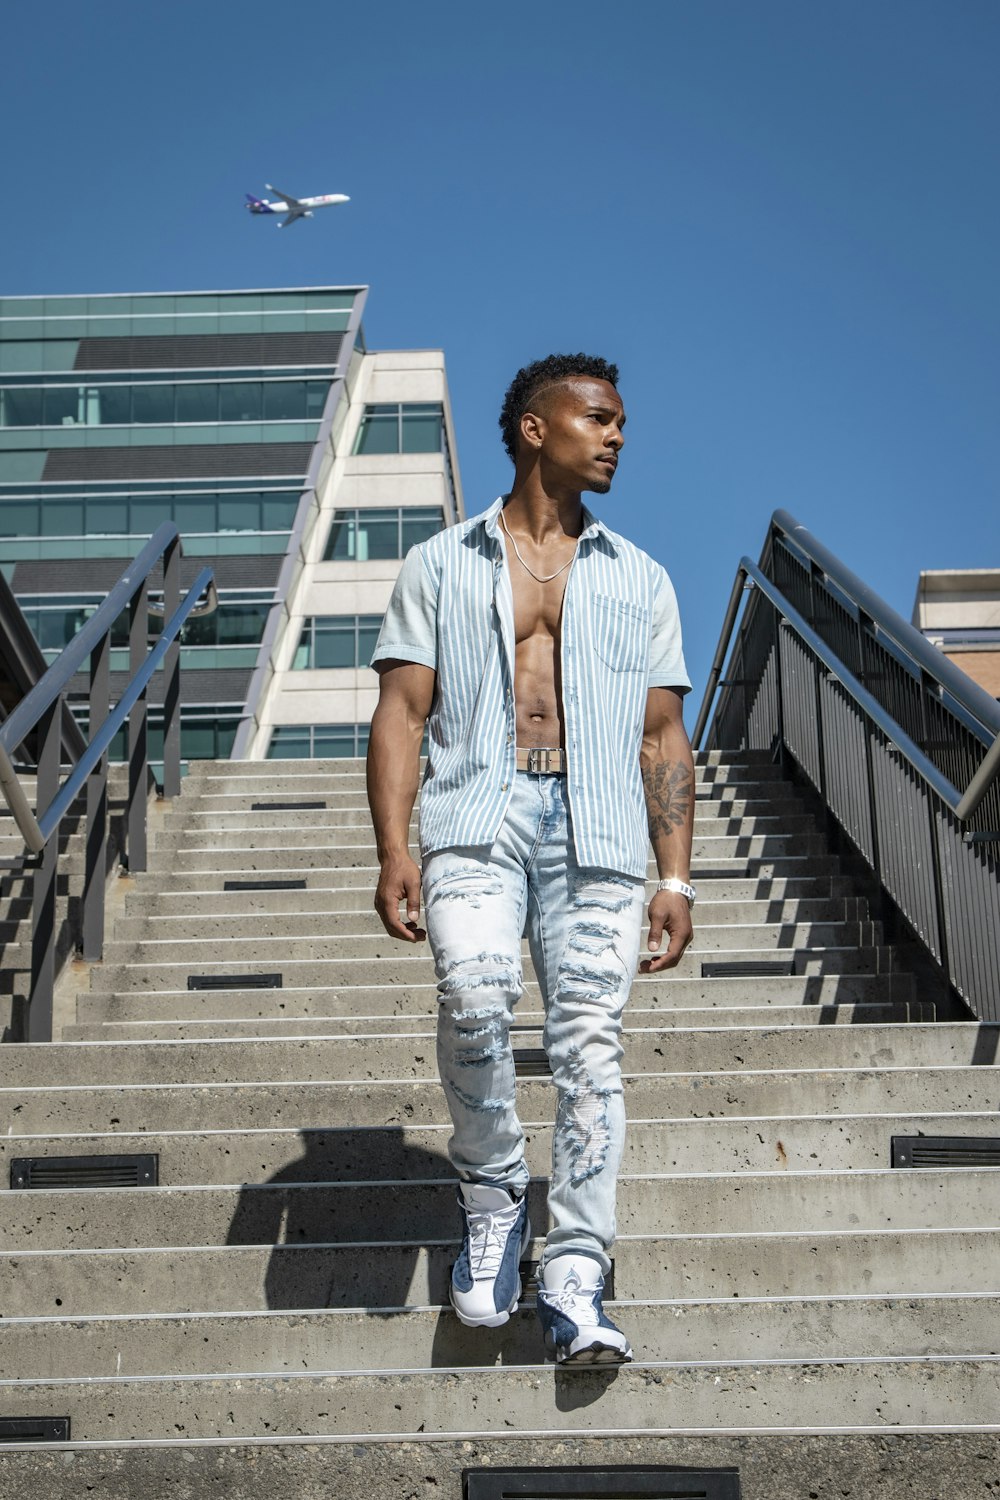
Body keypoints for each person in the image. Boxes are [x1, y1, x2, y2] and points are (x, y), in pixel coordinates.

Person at [366, 353, 694, 1365]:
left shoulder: (639, 577)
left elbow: (662, 739)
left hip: (598, 832)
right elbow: (401, 714)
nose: (617, 437)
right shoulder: (439, 563)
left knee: (588, 1046)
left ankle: (575, 1271)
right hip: (476, 814)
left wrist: (674, 875)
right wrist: (391, 849)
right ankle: (496, 1189)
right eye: (599, 418)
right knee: (472, 992)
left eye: (621, 422)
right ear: (534, 429)